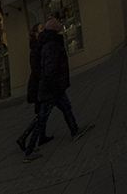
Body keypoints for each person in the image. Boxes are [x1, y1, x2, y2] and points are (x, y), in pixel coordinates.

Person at [23, 17, 93, 162]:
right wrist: (53, 86)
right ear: (54, 28)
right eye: (58, 24)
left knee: (67, 108)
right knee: (42, 119)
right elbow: (49, 69)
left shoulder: (50, 42)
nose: (60, 25)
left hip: (54, 87)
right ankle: (29, 151)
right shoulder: (50, 44)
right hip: (51, 89)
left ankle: (75, 130)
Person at [17, 23, 53, 152]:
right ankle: (25, 138)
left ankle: (40, 136)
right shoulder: (36, 49)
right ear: (37, 34)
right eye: (41, 29)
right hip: (39, 85)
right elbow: (37, 69)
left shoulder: (39, 46)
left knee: (43, 111)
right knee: (42, 112)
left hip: (41, 84)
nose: (43, 31)